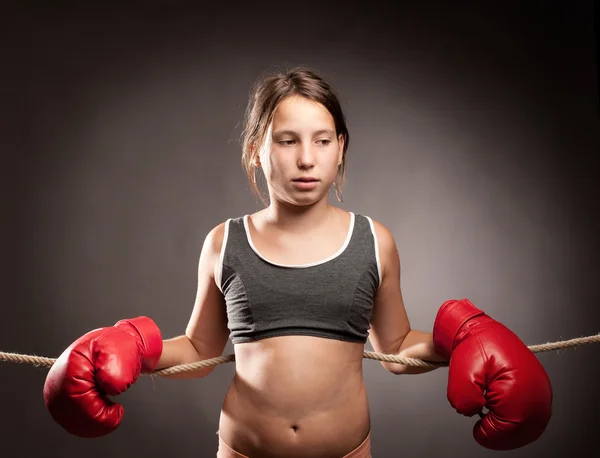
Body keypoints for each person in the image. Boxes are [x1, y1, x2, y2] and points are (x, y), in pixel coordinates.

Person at [42, 67, 553, 458]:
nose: (306, 158)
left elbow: (395, 348)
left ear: (340, 148)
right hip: (242, 450)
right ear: (257, 151)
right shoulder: (225, 242)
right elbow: (201, 348)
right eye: (287, 141)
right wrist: (131, 346)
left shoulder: (374, 240)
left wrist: (466, 336)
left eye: (321, 140)